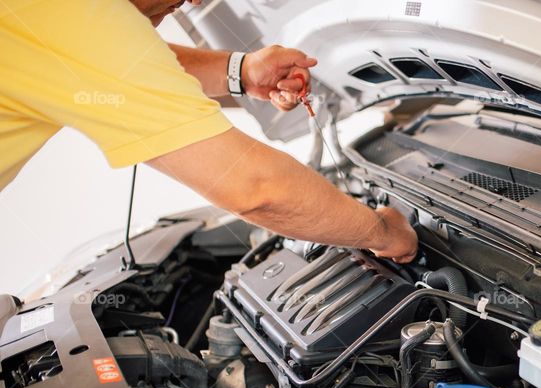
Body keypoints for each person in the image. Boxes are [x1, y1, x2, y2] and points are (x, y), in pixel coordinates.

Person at [0, 0, 419, 263]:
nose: (193, 2)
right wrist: (382, 232)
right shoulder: (79, 16)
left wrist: (241, 71)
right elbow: (257, 190)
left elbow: (126, 61)